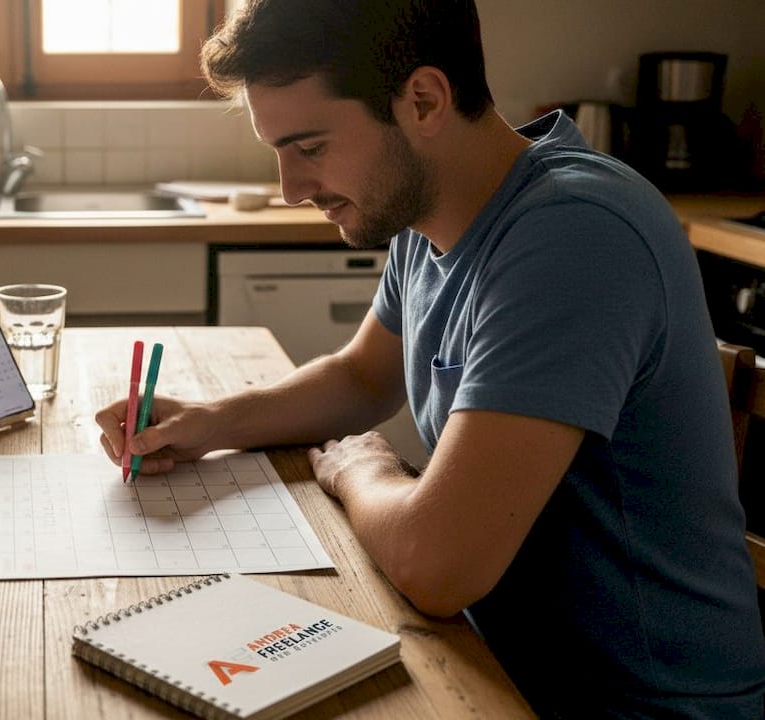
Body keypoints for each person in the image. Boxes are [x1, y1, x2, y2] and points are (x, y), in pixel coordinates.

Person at [94, 1, 765, 716]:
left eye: (310, 147)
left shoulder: (575, 235)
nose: (291, 189)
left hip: (633, 702)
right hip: (501, 660)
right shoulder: (432, 214)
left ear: (423, 100)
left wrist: (366, 472)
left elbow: (436, 567)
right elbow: (359, 379)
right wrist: (207, 421)